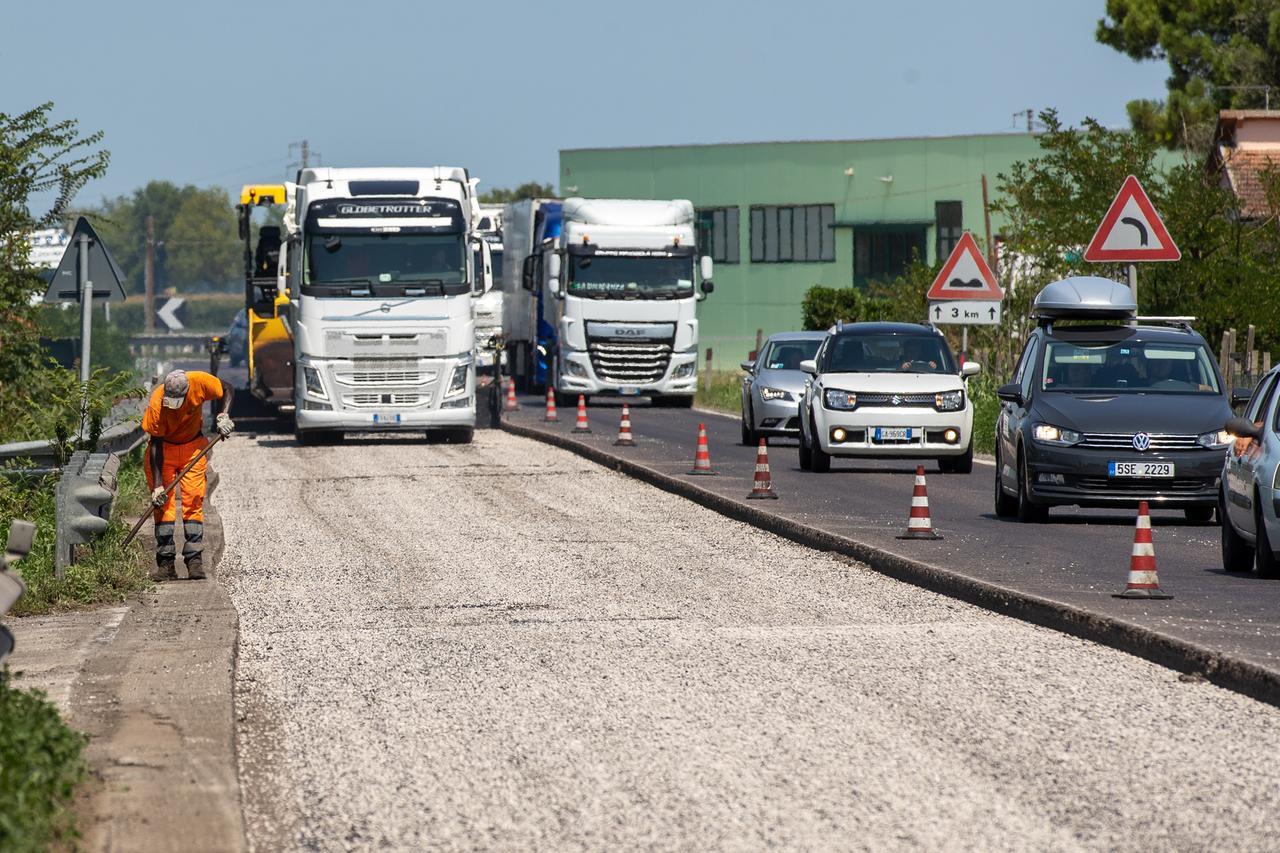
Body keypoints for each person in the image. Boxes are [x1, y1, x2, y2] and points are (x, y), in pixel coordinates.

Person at [141, 370, 234, 580]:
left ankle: (194, 562)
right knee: (164, 506)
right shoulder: (157, 403)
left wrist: (223, 415)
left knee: (193, 500)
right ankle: (166, 565)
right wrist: (157, 487)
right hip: (164, 450)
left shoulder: (200, 382)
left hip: (193, 448)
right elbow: (155, 444)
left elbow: (228, 388)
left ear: (187, 391)